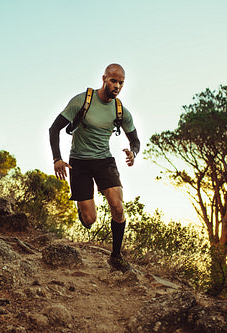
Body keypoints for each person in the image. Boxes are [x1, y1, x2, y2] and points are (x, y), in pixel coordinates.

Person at [48, 63, 140, 272]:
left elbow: (135, 140)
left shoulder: (121, 111)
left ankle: (116, 256)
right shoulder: (82, 101)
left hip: (104, 161)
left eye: (121, 83)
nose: (117, 86)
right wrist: (57, 159)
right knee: (90, 220)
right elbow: (54, 128)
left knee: (117, 207)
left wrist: (133, 152)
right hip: (79, 162)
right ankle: (84, 209)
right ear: (104, 79)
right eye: (113, 81)